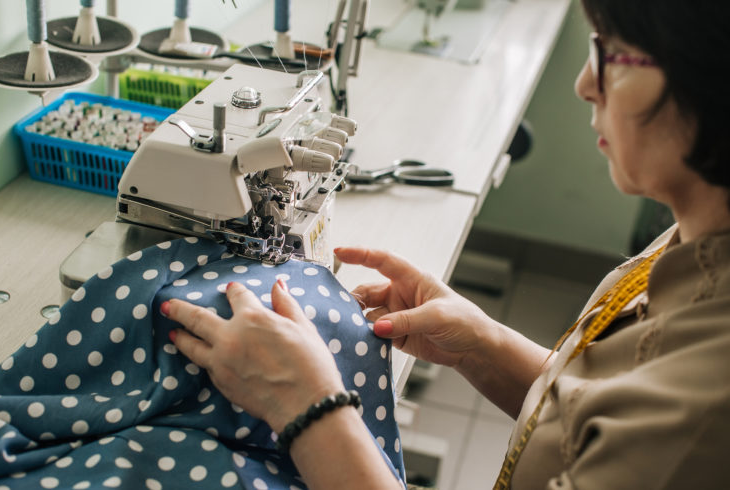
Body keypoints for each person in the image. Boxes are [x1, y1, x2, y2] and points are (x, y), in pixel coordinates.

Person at [161, 0, 730, 488]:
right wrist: (479, 345)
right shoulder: (705, 231)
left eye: (614, 52)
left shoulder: (705, 408)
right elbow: (601, 414)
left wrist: (307, 407)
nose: (585, 84)